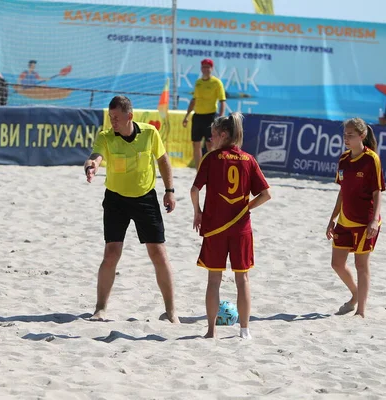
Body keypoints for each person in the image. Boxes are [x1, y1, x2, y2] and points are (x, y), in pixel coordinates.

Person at [84, 95, 179, 323]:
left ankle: (171, 312)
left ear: (130, 116)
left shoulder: (149, 133)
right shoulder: (106, 137)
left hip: (145, 198)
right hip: (116, 200)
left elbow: (163, 161)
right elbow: (96, 156)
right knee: (112, 252)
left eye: (116, 117)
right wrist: (92, 166)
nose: (112, 122)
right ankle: (100, 308)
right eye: (110, 117)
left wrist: (170, 190)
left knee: (158, 253)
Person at [190, 112, 271, 339]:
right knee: (242, 279)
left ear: (223, 135)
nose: (211, 140)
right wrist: (247, 207)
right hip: (240, 228)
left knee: (213, 280)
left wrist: (198, 212)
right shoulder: (249, 160)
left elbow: (194, 190)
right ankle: (244, 330)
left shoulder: (211, 159)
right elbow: (266, 195)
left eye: (214, 136)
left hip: (215, 227)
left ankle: (211, 331)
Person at [326, 118, 385, 318]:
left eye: (350, 135)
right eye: (344, 135)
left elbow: (378, 192)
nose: (346, 138)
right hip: (345, 220)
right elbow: (342, 192)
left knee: (361, 265)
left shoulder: (371, 159)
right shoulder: (343, 159)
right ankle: (355, 294)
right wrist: (332, 219)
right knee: (337, 264)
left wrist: (374, 220)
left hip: (365, 221)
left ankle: (360, 311)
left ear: (362, 136)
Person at [182, 58, 226, 168]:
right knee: (196, 144)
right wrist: (186, 116)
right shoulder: (198, 82)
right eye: (204, 67)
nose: (205, 69)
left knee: (210, 144)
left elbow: (222, 101)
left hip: (210, 117)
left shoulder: (217, 82)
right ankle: (198, 170)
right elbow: (194, 100)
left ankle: (212, 168)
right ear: (201, 69)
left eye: (208, 67)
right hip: (197, 116)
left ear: (212, 68)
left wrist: (221, 118)